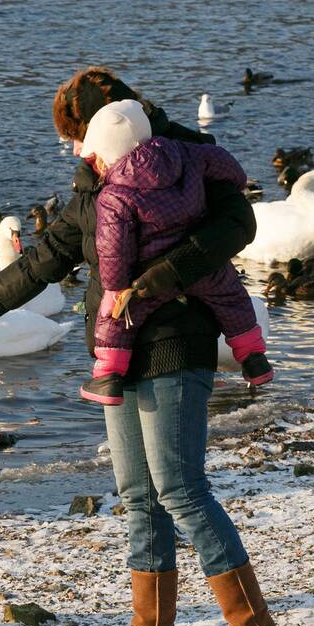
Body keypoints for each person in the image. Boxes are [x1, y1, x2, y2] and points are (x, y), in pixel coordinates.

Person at [0, 67, 284, 626]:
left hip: (174, 339)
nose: (73, 150)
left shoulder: (192, 157)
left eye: (74, 134)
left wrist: (167, 275)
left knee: (180, 486)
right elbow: (52, 254)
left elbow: (238, 226)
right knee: (138, 492)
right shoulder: (94, 177)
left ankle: (252, 624)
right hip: (116, 348)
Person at [77, 99, 272, 405]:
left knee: (116, 317)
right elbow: (227, 165)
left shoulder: (114, 196)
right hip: (198, 264)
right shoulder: (185, 153)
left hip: (148, 277)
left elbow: (114, 251)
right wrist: (235, 182)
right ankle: (253, 358)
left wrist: (116, 289)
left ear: (107, 154)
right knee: (232, 298)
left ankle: (108, 376)